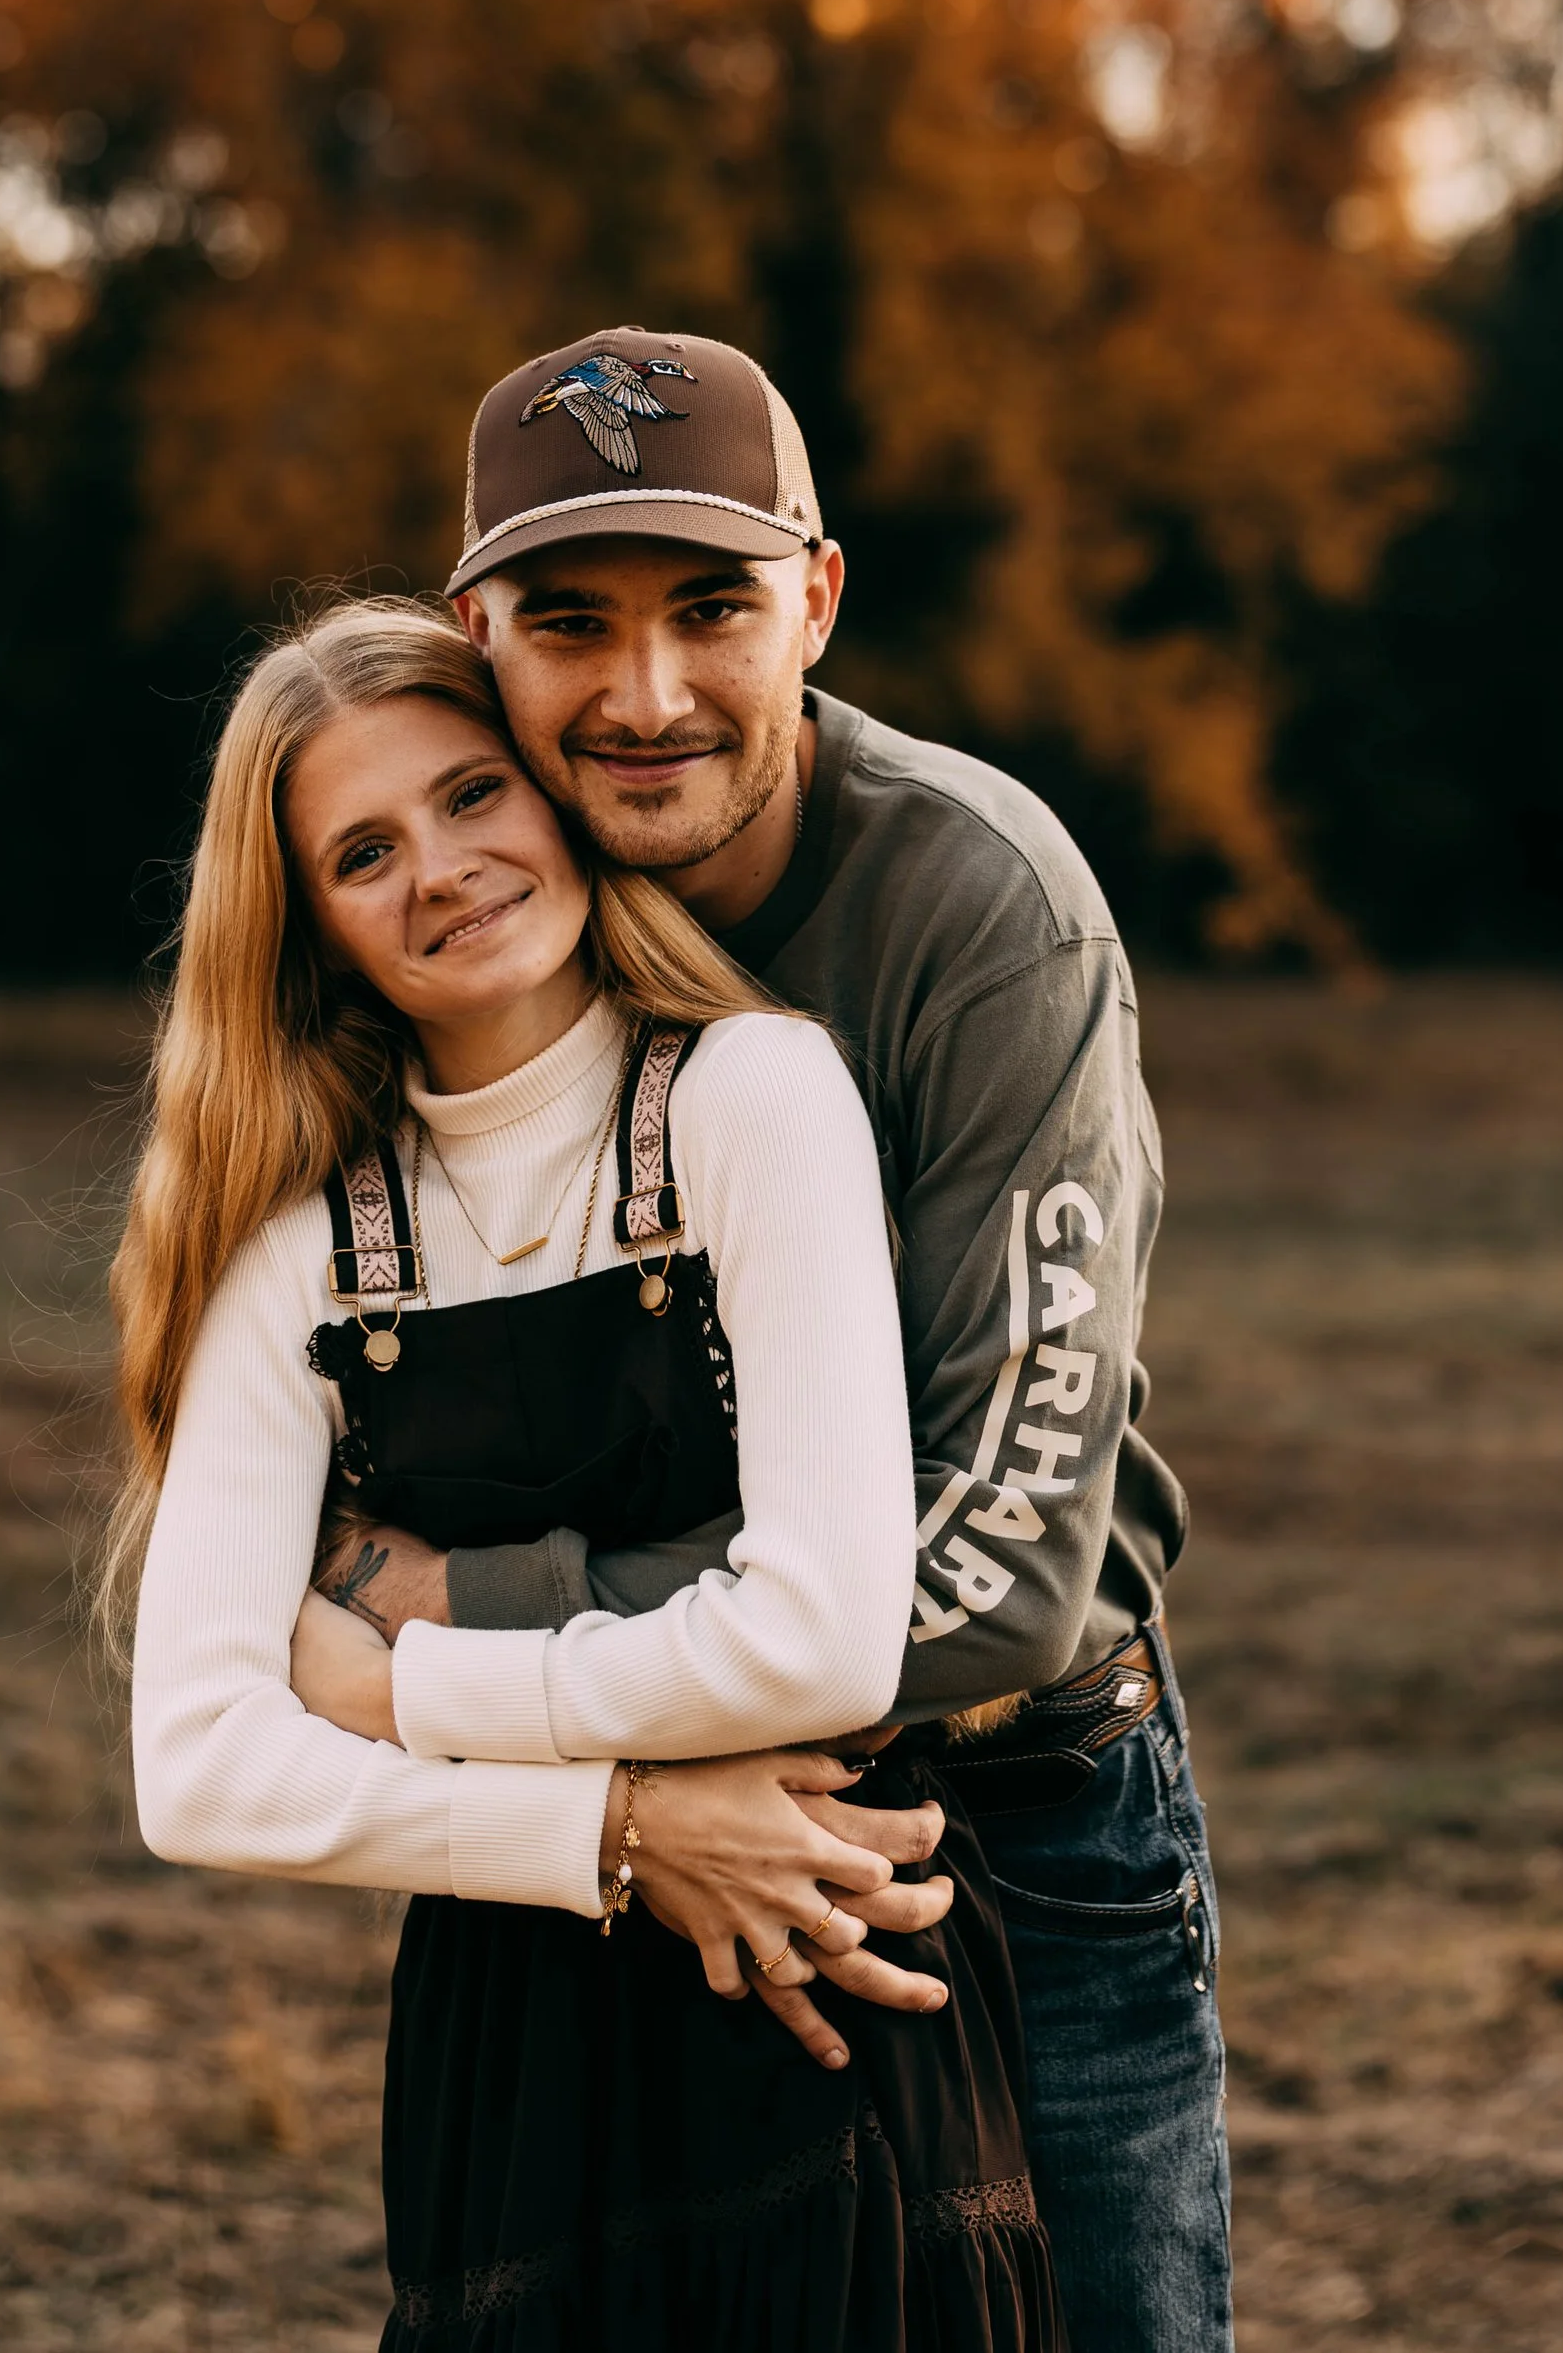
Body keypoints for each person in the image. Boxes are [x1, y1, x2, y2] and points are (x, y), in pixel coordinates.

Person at [312, 331, 1234, 2353]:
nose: (642, 700)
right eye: (568, 626)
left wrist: (478, 1622)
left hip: (987, 1826)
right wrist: (622, 1818)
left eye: (710, 609)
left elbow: (998, 1570)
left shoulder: (981, 917)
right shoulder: (423, 936)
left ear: (813, 599)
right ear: (479, 640)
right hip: (585, 1869)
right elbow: (279, 1507)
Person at [113, 597, 1067, 2350]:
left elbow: (829, 1642)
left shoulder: (751, 1095)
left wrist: (407, 1686)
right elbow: (195, 1768)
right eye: (366, 849)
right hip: (514, 2025)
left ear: (553, 799)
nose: (448, 868)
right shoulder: (305, 1247)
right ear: (313, 927)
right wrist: (618, 1827)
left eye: (475, 794)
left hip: (825, 1972)